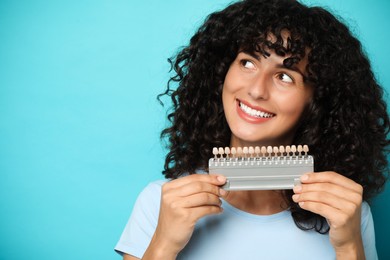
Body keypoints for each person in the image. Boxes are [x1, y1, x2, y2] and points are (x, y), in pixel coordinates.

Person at [115, 0, 389, 259]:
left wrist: (350, 247)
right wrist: (163, 245)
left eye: (285, 76)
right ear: (222, 71)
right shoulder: (160, 202)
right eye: (248, 62)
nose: (256, 90)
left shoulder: (347, 214)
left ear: (317, 102)